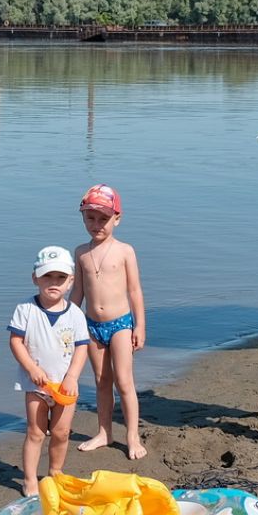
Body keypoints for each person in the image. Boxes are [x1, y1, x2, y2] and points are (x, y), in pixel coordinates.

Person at [8, 245, 92, 496]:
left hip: (66, 386)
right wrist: (31, 368)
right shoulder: (26, 309)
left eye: (60, 277)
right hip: (36, 385)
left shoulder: (75, 314)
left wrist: (73, 376)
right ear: (35, 277)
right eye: (47, 276)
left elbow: (81, 349)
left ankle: (55, 471)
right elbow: (15, 342)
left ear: (71, 281)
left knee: (61, 431)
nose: (53, 282)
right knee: (35, 432)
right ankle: (30, 479)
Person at [72, 185, 147, 460]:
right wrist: (66, 321)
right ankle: (104, 432)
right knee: (102, 381)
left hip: (120, 324)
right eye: (90, 218)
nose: (96, 225)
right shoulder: (81, 252)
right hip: (91, 325)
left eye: (103, 219)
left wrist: (140, 325)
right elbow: (77, 292)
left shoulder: (125, 251)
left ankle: (132, 436)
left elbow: (135, 291)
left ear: (117, 218)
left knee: (124, 381)